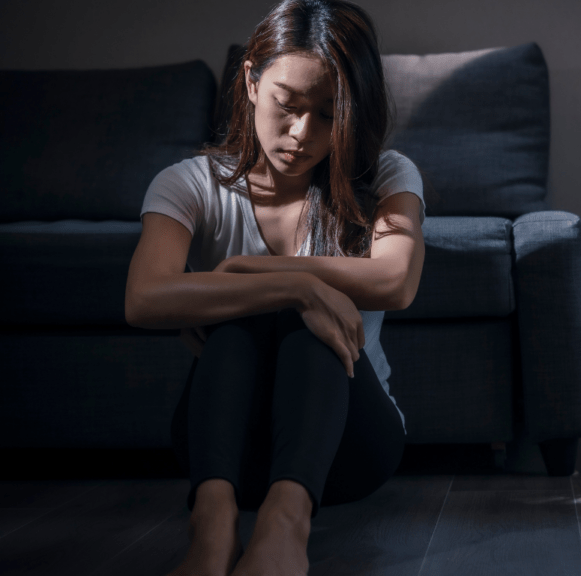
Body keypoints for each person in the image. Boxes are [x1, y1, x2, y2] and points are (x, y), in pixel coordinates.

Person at [124, 1, 424, 574]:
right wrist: (300, 289)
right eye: (287, 104)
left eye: (330, 115)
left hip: (346, 445)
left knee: (303, 319)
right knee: (268, 310)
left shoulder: (386, 175)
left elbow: (395, 280)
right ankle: (211, 525)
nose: (302, 134)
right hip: (224, 450)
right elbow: (142, 297)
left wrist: (244, 273)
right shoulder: (191, 183)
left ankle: (286, 527)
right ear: (251, 82)